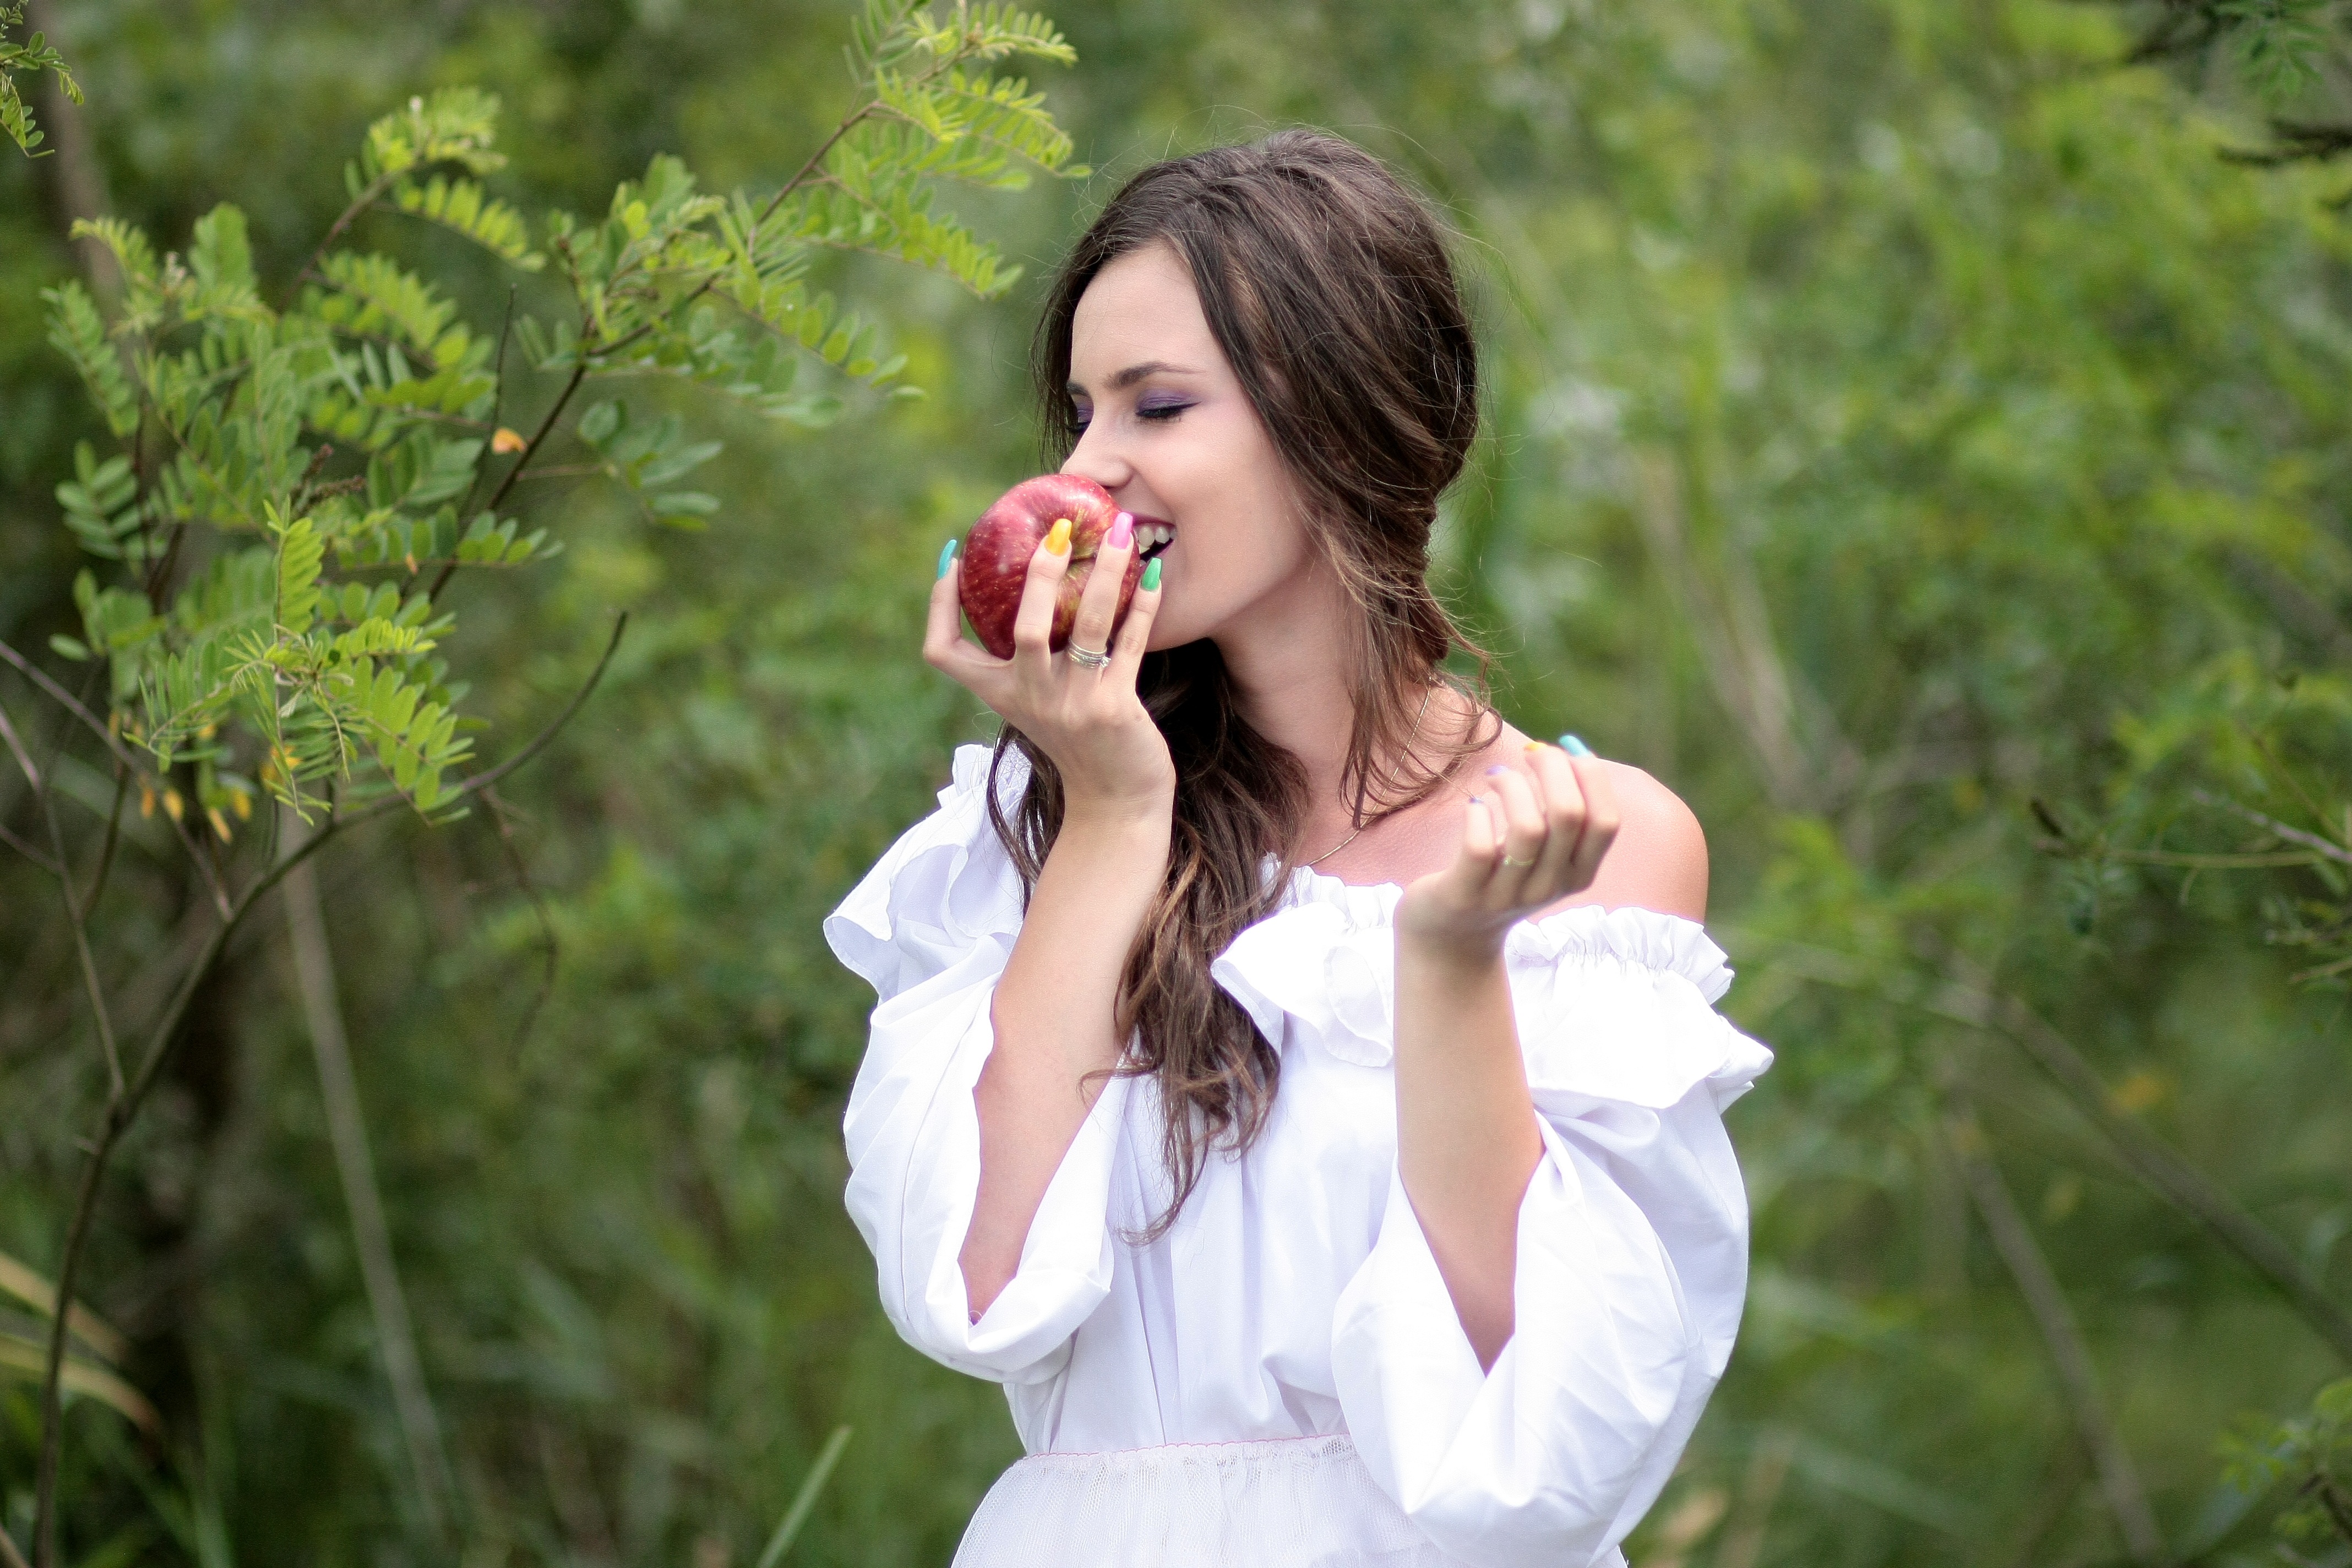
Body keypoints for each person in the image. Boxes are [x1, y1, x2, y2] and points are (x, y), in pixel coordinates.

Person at [824, 129, 1773, 1568]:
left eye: (1156, 406)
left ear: (1336, 420)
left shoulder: (1594, 847)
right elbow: (975, 1283)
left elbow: (1535, 1431)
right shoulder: (1037, 821)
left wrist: (1450, 965)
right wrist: (1116, 817)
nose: (1091, 470)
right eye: (1080, 414)